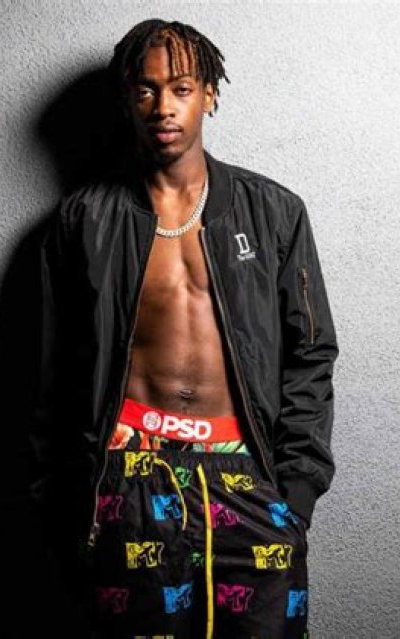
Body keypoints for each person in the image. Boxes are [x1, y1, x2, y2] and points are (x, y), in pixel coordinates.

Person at [24, 18, 339, 639]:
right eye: (145, 90)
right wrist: (62, 506)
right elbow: (48, 377)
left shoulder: (274, 212)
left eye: (182, 88)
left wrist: (297, 492)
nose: (163, 106)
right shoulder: (84, 220)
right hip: (128, 478)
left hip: (248, 477)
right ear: (127, 101)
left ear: (210, 95)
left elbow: (310, 354)